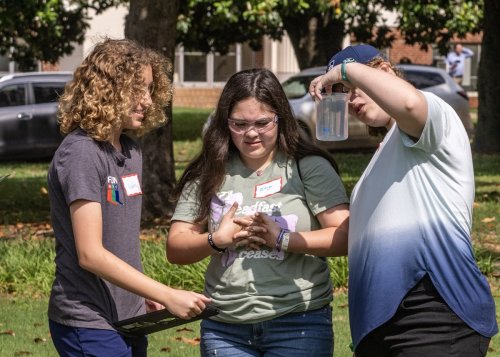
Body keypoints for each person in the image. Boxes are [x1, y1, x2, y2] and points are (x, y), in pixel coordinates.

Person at [310, 44, 497, 356]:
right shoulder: (383, 155)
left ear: (384, 71)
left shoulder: (434, 116)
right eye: (341, 91)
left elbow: (409, 103)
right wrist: (283, 239)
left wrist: (344, 70)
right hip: (379, 323)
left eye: (356, 86)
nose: (350, 98)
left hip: (433, 312)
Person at [167, 68, 349, 356]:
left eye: (262, 123)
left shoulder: (307, 166)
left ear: (280, 118)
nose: (251, 133)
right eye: (239, 124)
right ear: (225, 122)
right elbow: (176, 247)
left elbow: (344, 237)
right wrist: (216, 240)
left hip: (298, 322)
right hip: (225, 328)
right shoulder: (209, 172)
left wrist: (282, 239)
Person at [47, 38, 211, 356]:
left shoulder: (131, 150)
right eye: (138, 90)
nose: (147, 101)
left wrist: (140, 292)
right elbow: (90, 254)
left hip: (129, 315)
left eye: (150, 89)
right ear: (108, 89)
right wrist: (165, 294)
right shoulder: (82, 153)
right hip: (87, 319)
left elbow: (120, 238)